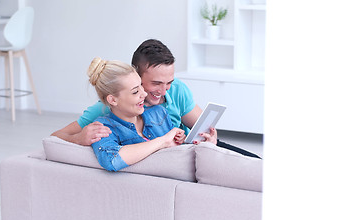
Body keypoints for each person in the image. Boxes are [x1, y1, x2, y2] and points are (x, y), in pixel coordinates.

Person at [52, 39, 260, 158]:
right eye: (156, 83)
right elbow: (55, 137)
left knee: (255, 162)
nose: (164, 90)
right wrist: (77, 139)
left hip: (190, 150)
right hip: (165, 157)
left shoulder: (177, 89)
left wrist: (210, 139)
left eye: (168, 82)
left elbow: (200, 127)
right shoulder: (106, 109)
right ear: (136, 76)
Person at [82, 57, 185, 171]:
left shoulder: (159, 113)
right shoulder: (102, 128)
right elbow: (112, 160)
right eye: (135, 91)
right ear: (113, 100)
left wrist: (180, 140)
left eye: (141, 86)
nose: (144, 94)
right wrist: (163, 141)